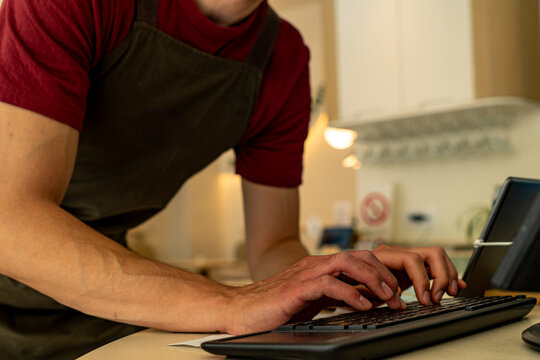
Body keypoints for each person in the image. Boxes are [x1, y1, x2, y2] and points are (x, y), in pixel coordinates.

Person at [0, 0, 466, 358]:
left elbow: (273, 246)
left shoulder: (282, 58)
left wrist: (338, 276)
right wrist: (227, 302)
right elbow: (11, 222)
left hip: (96, 305)